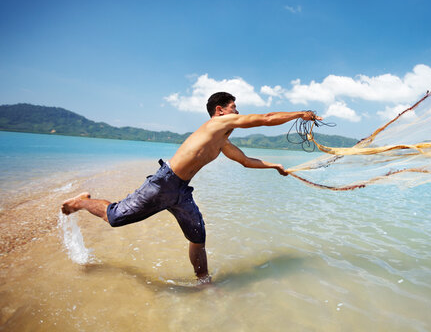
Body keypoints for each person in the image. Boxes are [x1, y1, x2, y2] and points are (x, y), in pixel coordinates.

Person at [61, 91, 321, 284]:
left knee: (197, 238)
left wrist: (275, 165)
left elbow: (245, 161)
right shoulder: (216, 124)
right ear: (219, 110)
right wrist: (300, 114)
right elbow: (265, 119)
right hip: (164, 183)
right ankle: (82, 201)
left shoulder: (222, 142)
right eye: (234, 108)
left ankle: (203, 282)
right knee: (114, 218)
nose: (237, 112)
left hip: (182, 191)